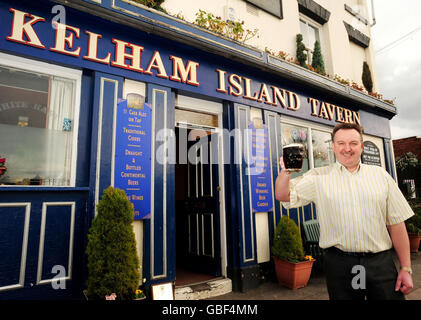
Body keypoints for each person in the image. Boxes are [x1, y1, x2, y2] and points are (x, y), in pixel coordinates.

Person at [275, 122, 414, 300]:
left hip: (380, 263)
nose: (347, 149)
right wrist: (286, 172)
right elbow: (283, 195)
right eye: (341, 143)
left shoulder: (381, 176)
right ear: (333, 146)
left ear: (361, 146)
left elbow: (397, 224)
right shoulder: (318, 177)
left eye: (353, 143)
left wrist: (406, 268)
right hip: (340, 265)